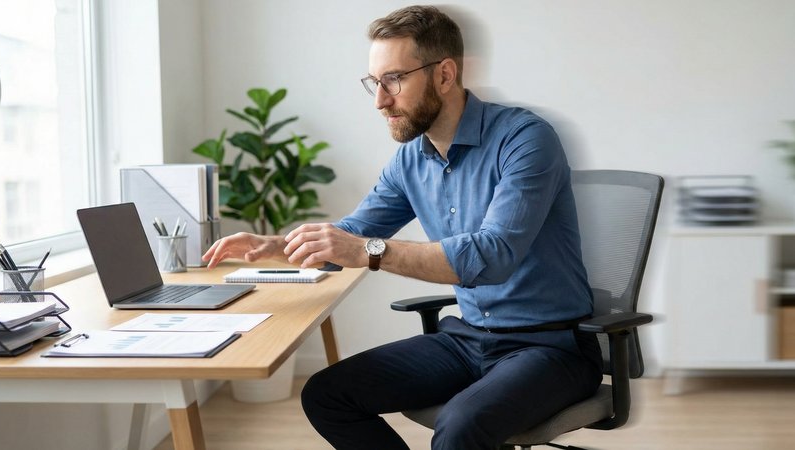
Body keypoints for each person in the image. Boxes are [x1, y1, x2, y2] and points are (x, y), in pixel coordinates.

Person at [202, 5, 602, 450]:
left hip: (551, 348)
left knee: (460, 425)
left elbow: (492, 255)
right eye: (374, 83)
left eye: (393, 80)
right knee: (327, 394)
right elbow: (355, 232)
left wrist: (371, 252)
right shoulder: (412, 158)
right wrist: (277, 245)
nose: (380, 100)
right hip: (469, 340)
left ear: (445, 75)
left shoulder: (525, 139)